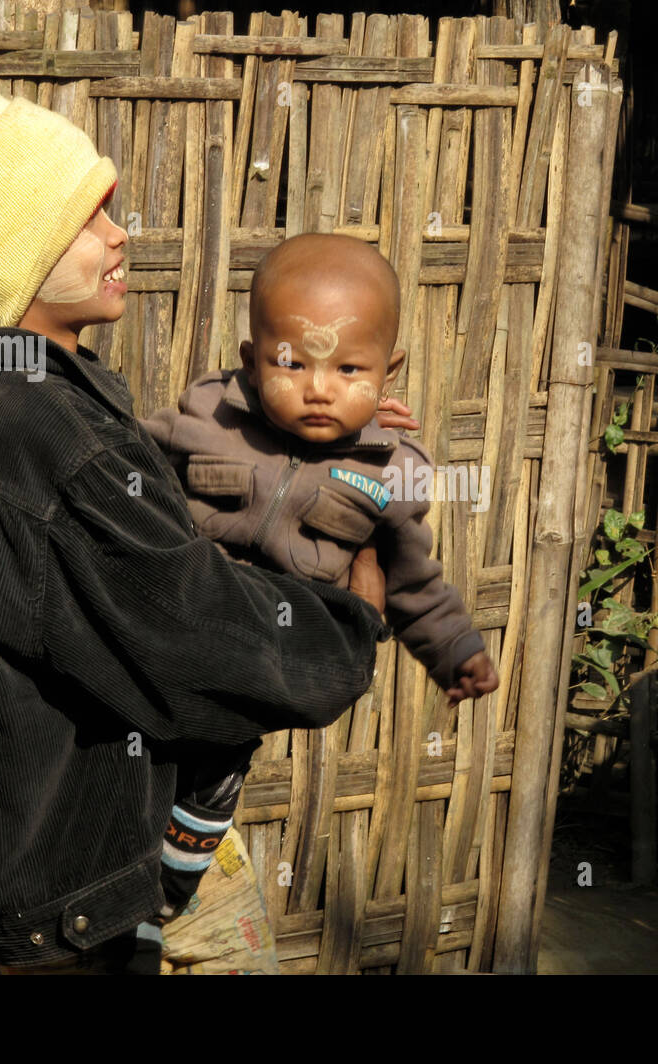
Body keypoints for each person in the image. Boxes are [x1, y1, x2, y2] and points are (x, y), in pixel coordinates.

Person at [0, 63, 412, 973]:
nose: (121, 235)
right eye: (90, 219)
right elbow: (192, 630)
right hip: (59, 924)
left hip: (28, 895)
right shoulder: (47, 435)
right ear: (16, 250)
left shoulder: (9, 407)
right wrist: (355, 626)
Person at [141, 234, 500, 919]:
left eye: (349, 371)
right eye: (292, 362)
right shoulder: (205, 414)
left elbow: (413, 577)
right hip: (167, 639)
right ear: (251, 360)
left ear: (388, 372)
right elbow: (125, 463)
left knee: (206, 791)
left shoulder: (390, 470)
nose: (318, 388)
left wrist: (456, 650)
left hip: (254, 674)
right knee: (128, 776)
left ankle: (161, 910)